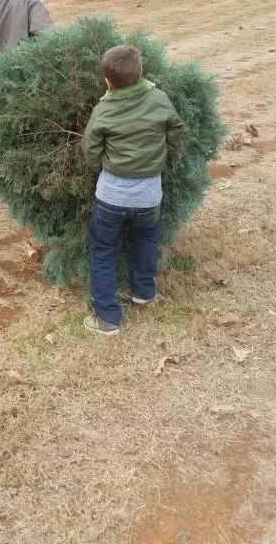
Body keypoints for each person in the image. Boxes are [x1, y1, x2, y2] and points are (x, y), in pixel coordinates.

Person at [81, 45, 183, 336]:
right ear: (140, 74)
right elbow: (176, 129)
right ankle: (144, 291)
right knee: (146, 240)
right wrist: (166, 156)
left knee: (103, 250)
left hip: (111, 197)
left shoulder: (104, 109)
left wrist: (105, 165)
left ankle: (107, 318)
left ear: (107, 81)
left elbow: (90, 152)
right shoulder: (159, 99)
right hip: (150, 196)